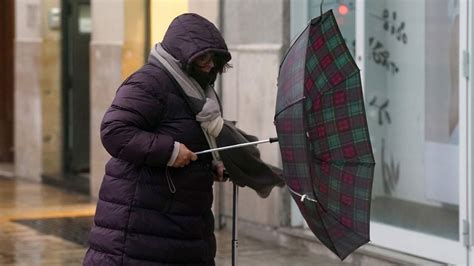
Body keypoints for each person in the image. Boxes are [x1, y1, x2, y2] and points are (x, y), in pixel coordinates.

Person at [83, 13, 232, 265]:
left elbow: (189, 136)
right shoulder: (150, 82)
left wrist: (212, 163)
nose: (209, 64)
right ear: (182, 54)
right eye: (202, 57)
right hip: (141, 223)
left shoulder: (199, 90)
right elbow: (114, 130)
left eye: (213, 58)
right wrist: (170, 152)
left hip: (180, 223)